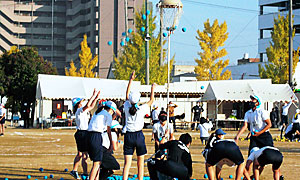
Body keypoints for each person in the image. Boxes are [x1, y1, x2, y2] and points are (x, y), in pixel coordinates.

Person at [122, 71, 156, 180]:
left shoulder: (127, 106)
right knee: (140, 163)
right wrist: (152, 88)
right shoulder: (141, 109)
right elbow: (151, 100)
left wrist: (130, 80)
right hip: (138, 136)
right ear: (138, 100)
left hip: (128, 135)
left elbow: (127, 95)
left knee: (127, 163)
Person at [70, 90, 100, 180]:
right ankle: (78, 171)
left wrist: (96, 98)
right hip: (81, 133)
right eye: (81, 102)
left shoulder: (83, 111)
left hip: (85, 133)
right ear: (78, 104)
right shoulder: (79, 110)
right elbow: (88, 105)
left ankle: (83, 173)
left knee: (83, 155)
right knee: (82, 155)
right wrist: (93, 96)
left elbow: (91, 106)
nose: (82, 103)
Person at [87, 100, 116, 180]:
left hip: (90, 136)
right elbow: (108, 130)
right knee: (97, 164)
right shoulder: (107, 115)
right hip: (96, 136)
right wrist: (111, 144)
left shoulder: (98, 112)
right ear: (111, 110)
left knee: (97, 163)